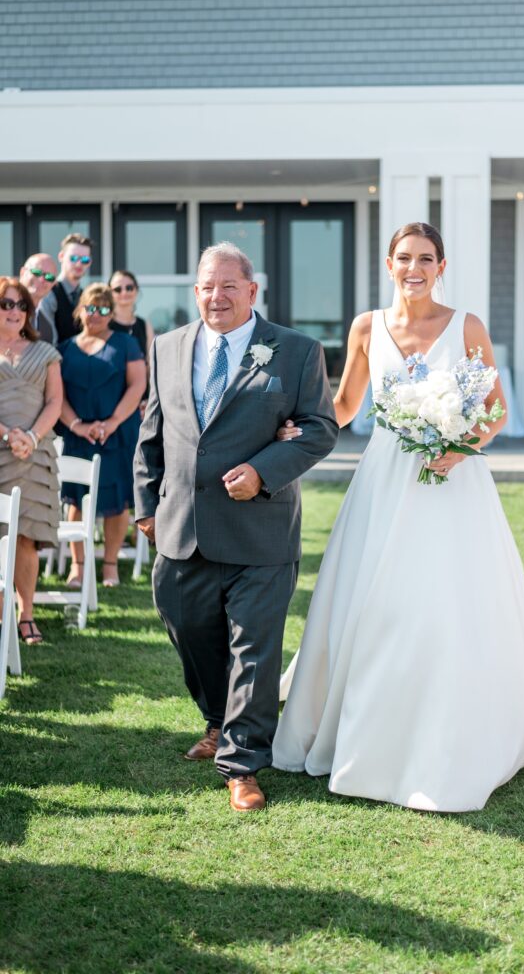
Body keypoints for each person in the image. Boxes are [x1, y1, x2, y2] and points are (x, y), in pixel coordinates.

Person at [271, 222, 524, 813]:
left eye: (426, 258)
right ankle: (368, 721)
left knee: (449, 600)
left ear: (442, 265)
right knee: (374, 600)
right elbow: (343, 406)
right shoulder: (367, 327)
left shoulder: (466, 326)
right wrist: (298, 428)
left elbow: (494, 410)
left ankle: (456, 727)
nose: (415, 267)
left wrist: (460, 447)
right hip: (384, 479)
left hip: (452, 482)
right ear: (389, 263)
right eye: (404, 257)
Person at [133, 241, 338, 812]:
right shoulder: (167, 348)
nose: (215, 296)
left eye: (228, 286)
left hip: (259, 530)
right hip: (181, 527)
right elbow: (153, 432)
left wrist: (263, 471)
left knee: (253, 647)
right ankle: (218, 720)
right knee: (189, 631)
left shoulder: (295, 352)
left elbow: (320, 428)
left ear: (252, 291)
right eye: (206, 286)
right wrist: (147, 506)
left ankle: (242, 763)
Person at [59, 283, 146, 589]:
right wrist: (77, 426)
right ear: (80, 309)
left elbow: (137, 386)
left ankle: (110, 565)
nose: (96, 314)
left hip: (118, 433)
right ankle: (78, 567)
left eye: (103, 309)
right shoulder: (64, 348)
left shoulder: (126, 344)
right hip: (77, 435)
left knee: (118, 501)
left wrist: (111, 422)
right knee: (76, 500)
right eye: (90, 307)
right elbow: (57, 396)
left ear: (111, 314)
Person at [0, 277, 62, 645]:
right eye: (6, 304)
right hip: (1, 450)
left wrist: (32, 437)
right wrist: (8, 434)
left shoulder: (46, 352)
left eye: (21, 305)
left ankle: (26, 615)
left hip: (35, 456)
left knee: (26, 538)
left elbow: (55, 401)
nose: (14, 311)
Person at [108, 269, 155, 412]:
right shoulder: (104, 324)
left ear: (136, 290)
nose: (124, 292)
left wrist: (150, 398)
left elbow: (150, 366)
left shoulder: (144, 325)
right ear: (110, 293)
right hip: (110, 400)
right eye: (117, 289)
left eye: (129, 287)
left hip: (140, 404)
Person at [36, 233, 94, 345]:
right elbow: (49, 341)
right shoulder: (48, 293)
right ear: (61, 257)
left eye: (85, 259)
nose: (79, 264)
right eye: (74, 258)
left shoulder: (86, 297)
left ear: (90, 262)